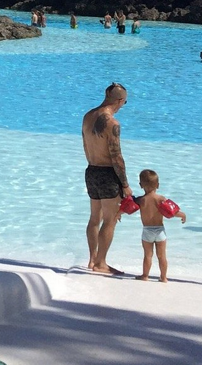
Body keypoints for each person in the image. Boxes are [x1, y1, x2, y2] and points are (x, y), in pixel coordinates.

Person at [81, 82, 132, 274]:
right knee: (109, 220)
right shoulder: (112, 123)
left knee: (95, 218)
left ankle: (92, 259)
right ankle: (101, 263)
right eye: (124, 103)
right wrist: (125, 184)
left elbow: (86, 145)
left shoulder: (87, 116)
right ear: (120, 100)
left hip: (91, 169)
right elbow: (116, 156)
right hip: (107, 173)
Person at [130, 169, 187, 282]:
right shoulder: (160, 199)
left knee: (148, 255)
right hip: (160, 231)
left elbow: (127, 208)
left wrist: (117, 215)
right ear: (158, 185)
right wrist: (182, 215)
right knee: (162, 256)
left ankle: (145, 276)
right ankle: (164, 277)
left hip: (147, 231)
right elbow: (172, 212)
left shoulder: (140, 200)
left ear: (141, 185)